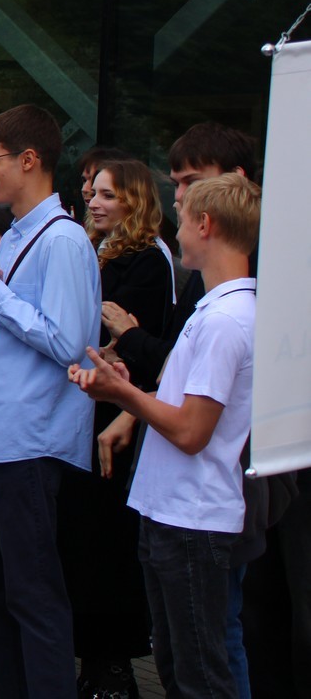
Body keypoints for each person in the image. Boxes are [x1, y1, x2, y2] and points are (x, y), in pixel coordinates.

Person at [71, 173, 259, 699]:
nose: (175, 229)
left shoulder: (226, 319)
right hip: (172, 511)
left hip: (192, 517)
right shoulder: (214, 309)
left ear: (206, 224)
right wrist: (125, 389)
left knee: (199, 675)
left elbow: (192, 431)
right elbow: (180, 407)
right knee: (179, 667)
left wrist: (122, 394)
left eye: (183, 216)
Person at [0, 104, 99, 699]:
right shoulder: (15, 234)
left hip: (29, 441)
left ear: (29, 160)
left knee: (32, 594)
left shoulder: (63, 240)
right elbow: (6, 330)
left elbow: (68, 342)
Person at [58, 157, 174, 698]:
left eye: (108, 194)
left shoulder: (147, 260)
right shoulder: (90, 250)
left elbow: (147, 349)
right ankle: (92, 659)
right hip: (83, 408)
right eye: (93, 192)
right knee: (82, 538)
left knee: (108, 540)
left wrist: (116, 348)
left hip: (118, 415)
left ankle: (114, 665)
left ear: (135, 201)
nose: (94, 201)